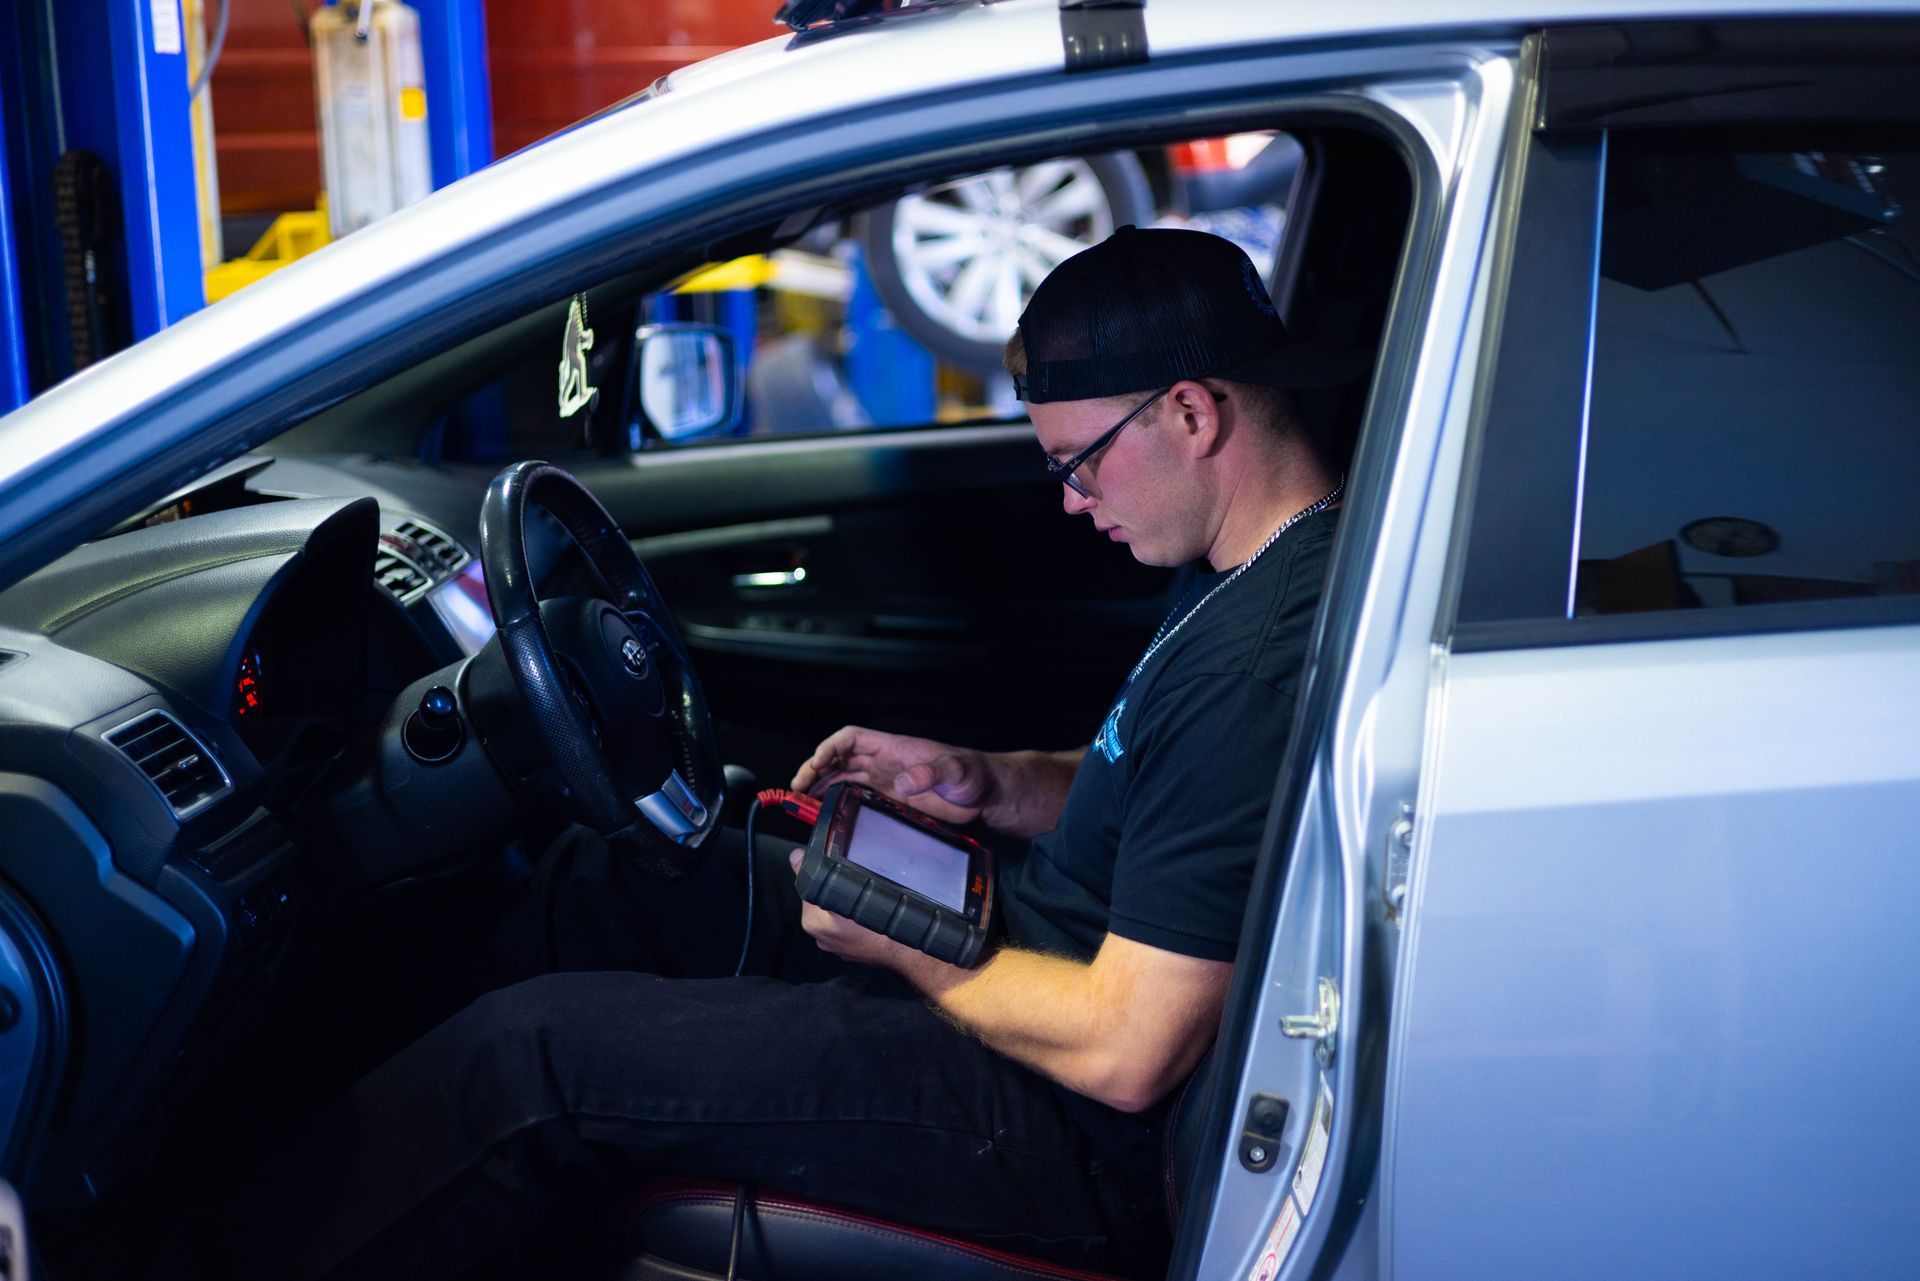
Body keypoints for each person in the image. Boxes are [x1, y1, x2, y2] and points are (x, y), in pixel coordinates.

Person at [243, 226, 1352, 1281]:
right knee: (609, 884)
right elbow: (1155, 793)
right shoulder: (1238, 568)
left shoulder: (1259, 658)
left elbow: (1129, 1050)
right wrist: (984, 781)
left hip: (1055, 1119)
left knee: (528, 1062)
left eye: (1081, 464)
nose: (1070, 503)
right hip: (1024, 957)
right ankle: (307, 1162)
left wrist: (906, 949)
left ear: (1195, 413)